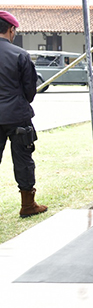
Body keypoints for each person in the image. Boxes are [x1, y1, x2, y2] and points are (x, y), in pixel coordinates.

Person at [0, 11, 47, 218]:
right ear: (11, 30)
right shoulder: (20, 54)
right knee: (23, 159)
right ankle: (28, 205)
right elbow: (30, 90)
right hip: (17, 115)